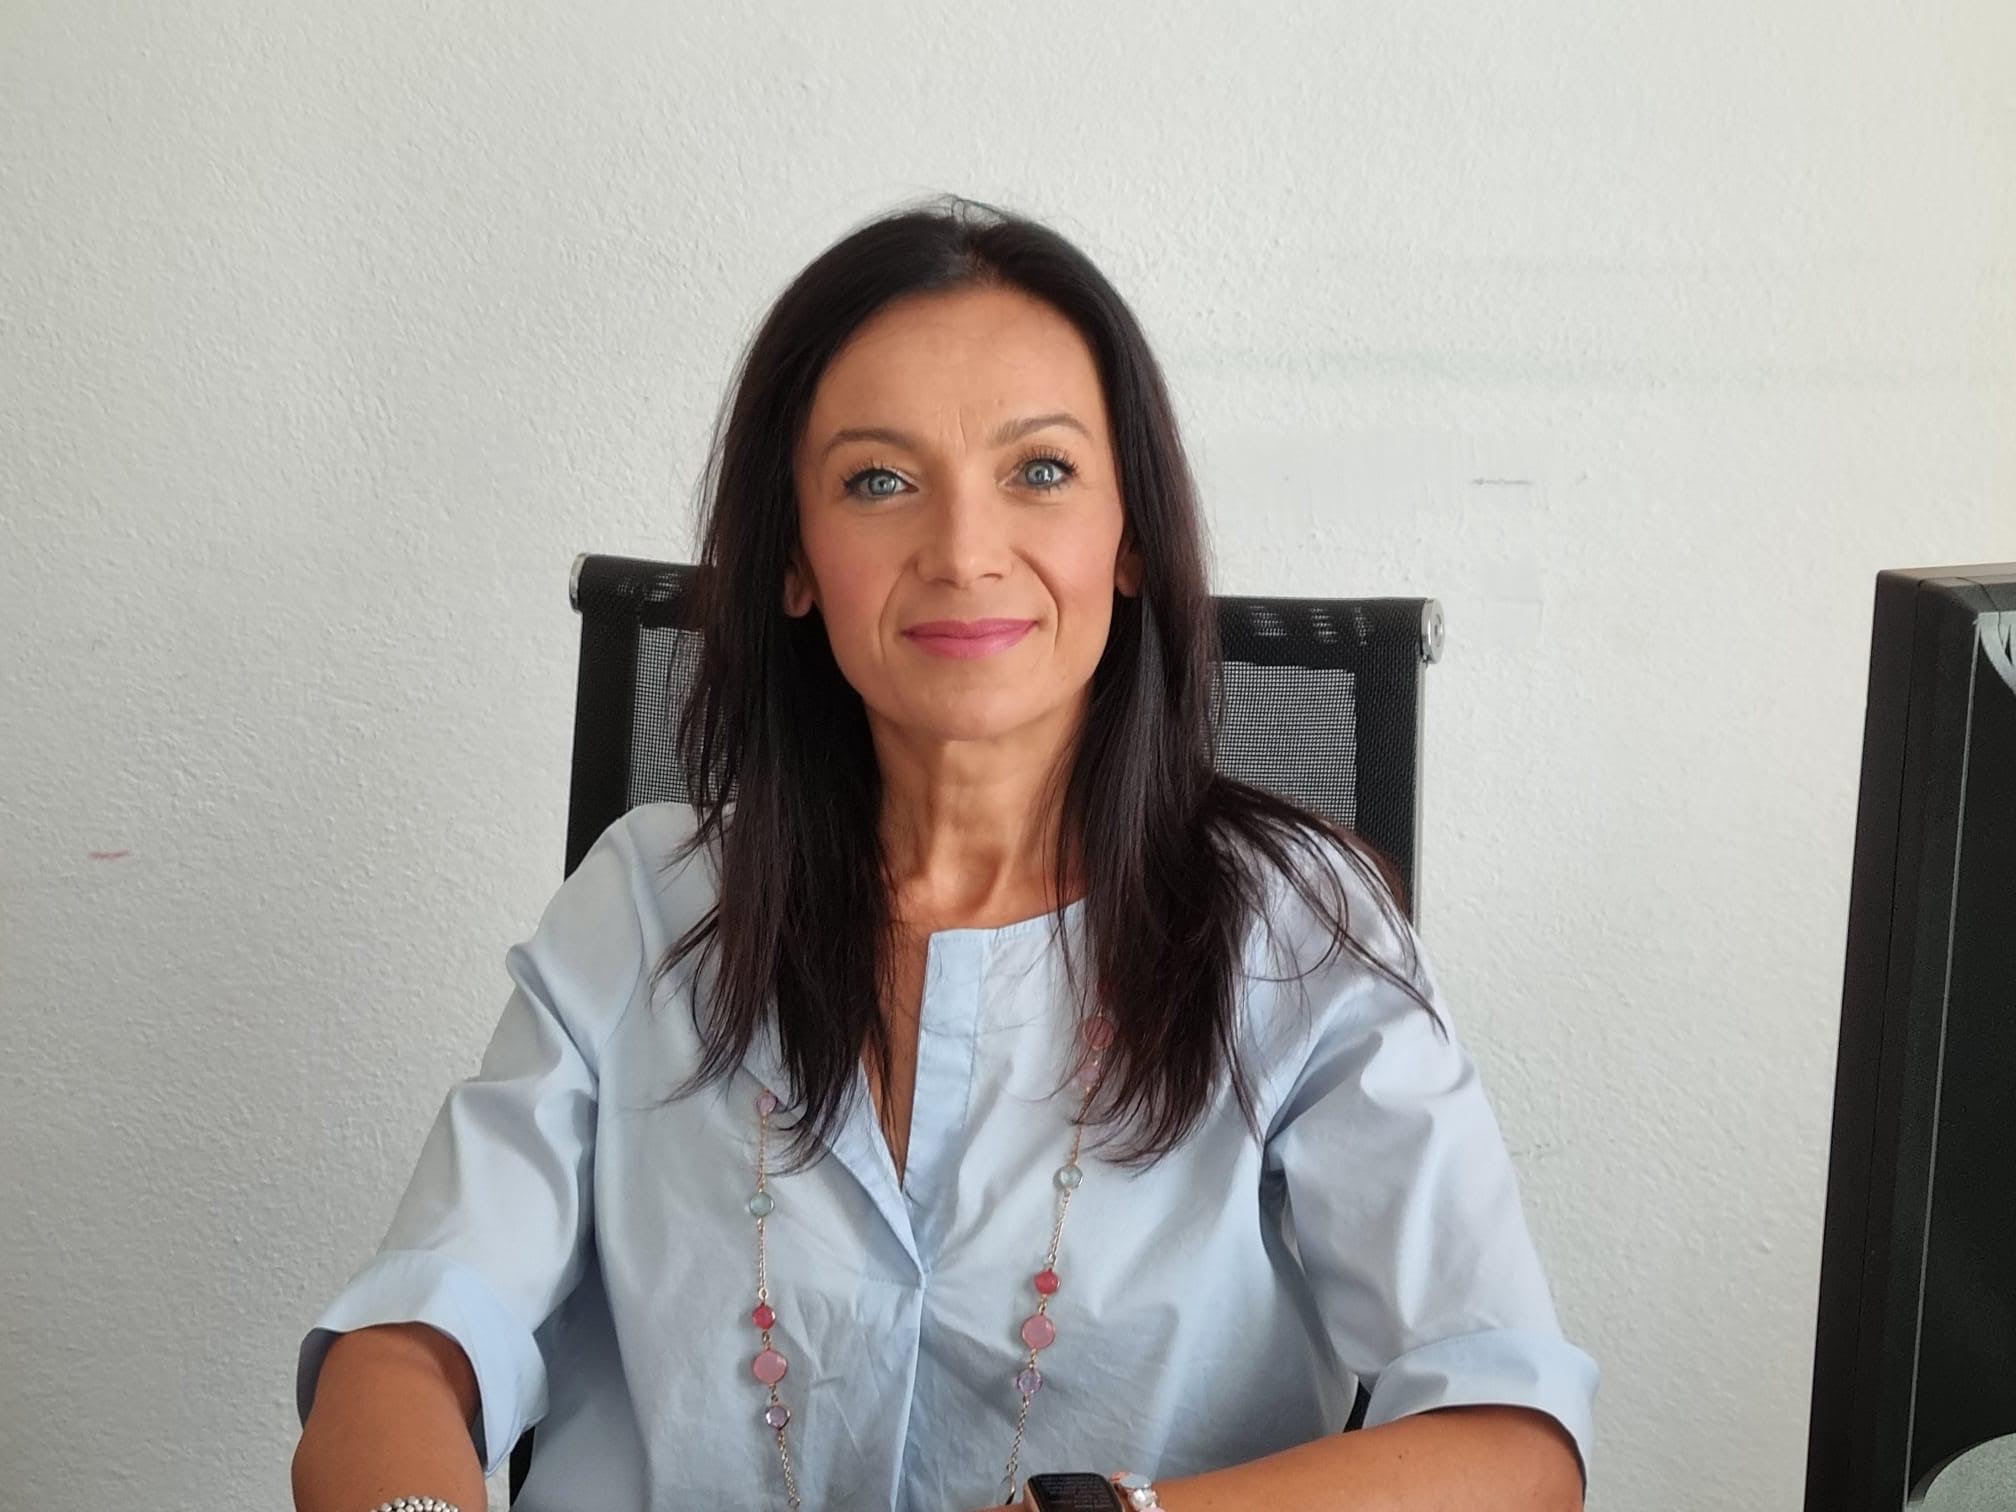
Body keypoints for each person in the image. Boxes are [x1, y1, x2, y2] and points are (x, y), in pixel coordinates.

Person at [291, 195, 1598, 1512]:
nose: (966, 552)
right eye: (879, 481)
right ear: (796, 560)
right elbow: (410, 1345)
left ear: (1132, 537)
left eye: (1042, 471)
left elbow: (1510, 1440)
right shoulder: (647, 903)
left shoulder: (1298, 930)